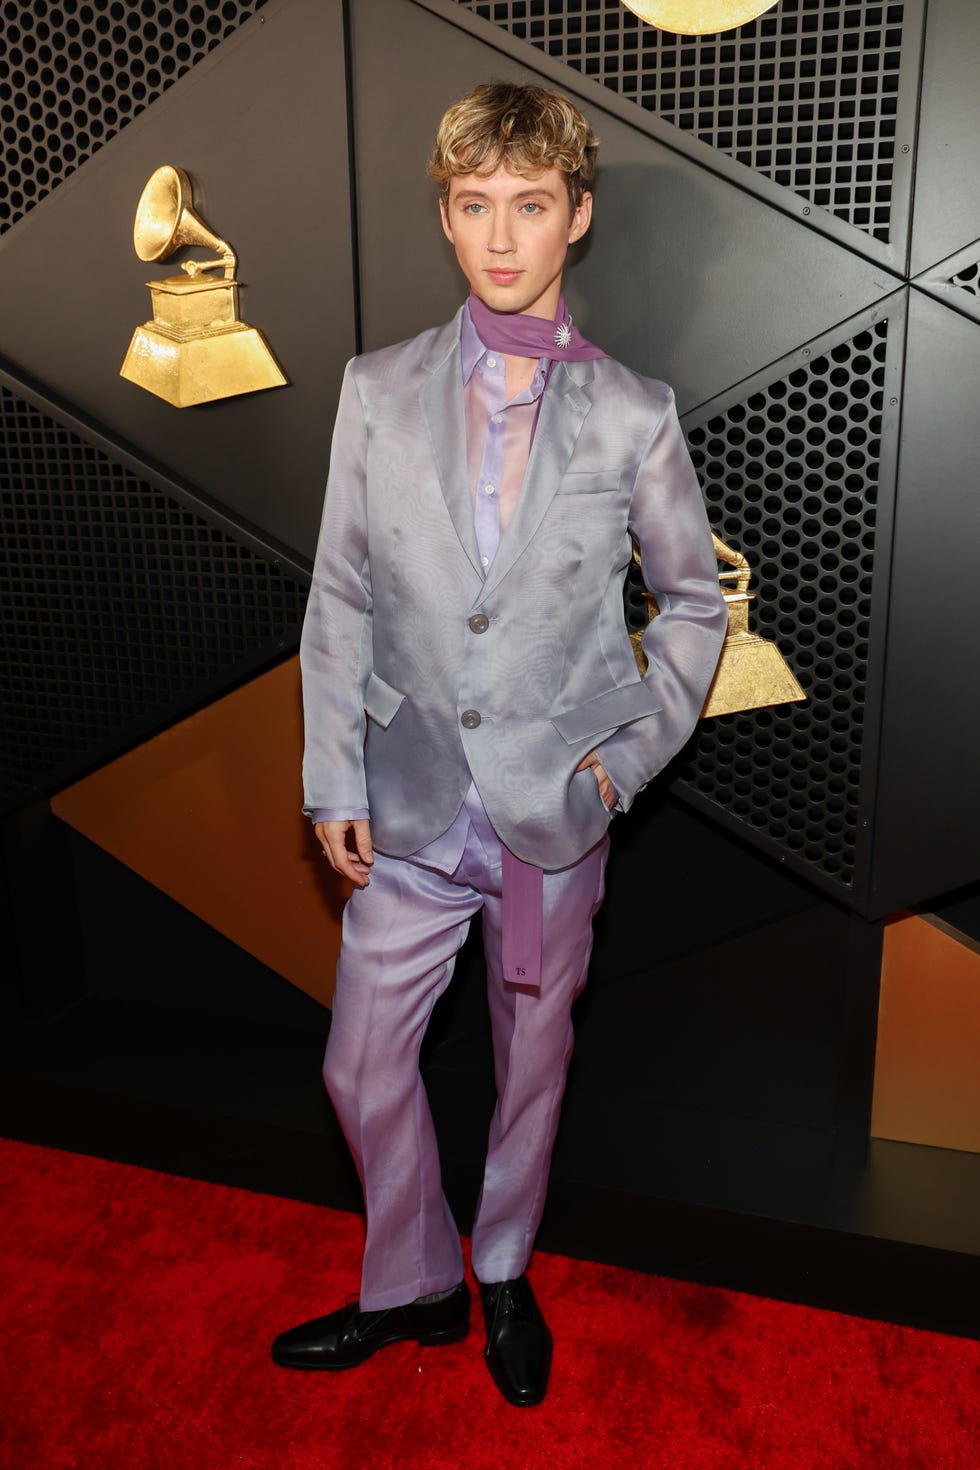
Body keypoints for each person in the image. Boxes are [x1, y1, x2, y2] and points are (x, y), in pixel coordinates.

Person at [272, 81, 727, 1407]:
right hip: (406, 811)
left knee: (534, 1069)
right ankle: (412, 1278)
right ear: (448, 214)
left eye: (530, 206)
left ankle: (507, 1262)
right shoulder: (378, 390)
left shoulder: (635, 412)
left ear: (575, 216)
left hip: (553, 814)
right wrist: (329, 773)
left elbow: (693, 603)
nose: (502, 236)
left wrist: (621, 764)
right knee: (359, 1061)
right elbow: (342, 593)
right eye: (476, 206)